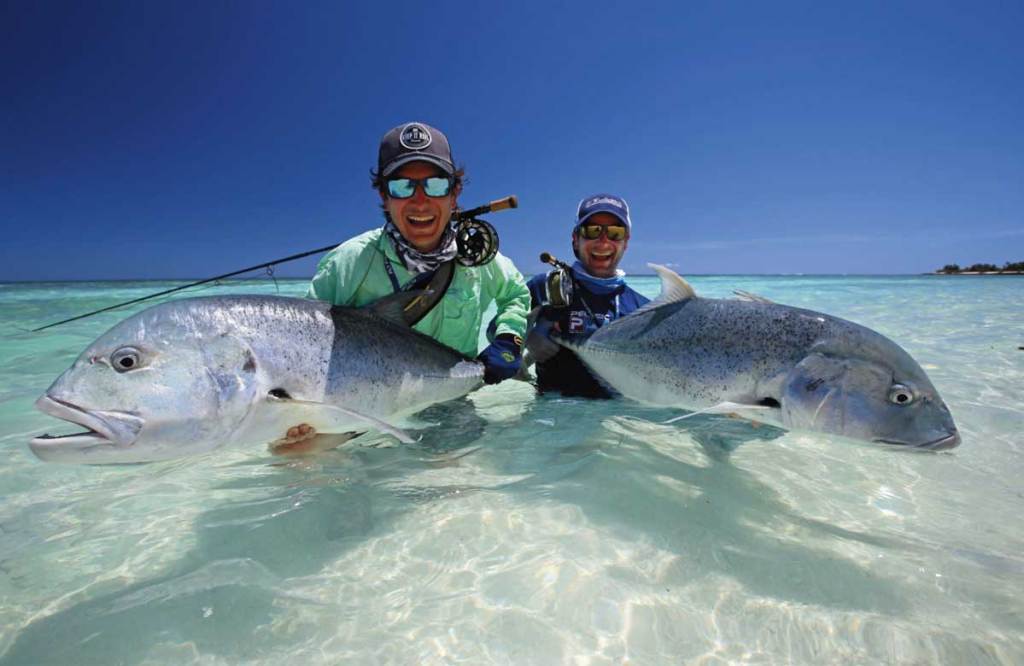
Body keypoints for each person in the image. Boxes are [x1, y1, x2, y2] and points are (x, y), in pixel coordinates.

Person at [308, 121, 530, 386]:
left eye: (436, 185)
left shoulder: (478, 260)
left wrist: (509, 338)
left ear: (454, 194)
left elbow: (516, 293)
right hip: (367, 407)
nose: (420, 201)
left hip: (458, 402)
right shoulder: (347, 263)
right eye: (402, 186)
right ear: (384, 197)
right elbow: (308, 341)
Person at [526, 193, 650, 398]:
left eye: (615, 233)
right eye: (592, 231)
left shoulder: (644, 309)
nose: (603, 242)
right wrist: (526, 337)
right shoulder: (545, 287)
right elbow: (496, 332)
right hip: (551, 414)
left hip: (621, 415)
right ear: (576, 239)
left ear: (626, 242)